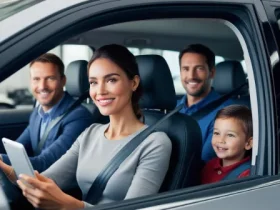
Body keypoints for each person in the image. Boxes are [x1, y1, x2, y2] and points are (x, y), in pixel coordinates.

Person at [16, 44, 172, 209]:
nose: (100, 91)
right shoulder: (90, 133)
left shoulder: (155, 143)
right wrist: (7, 169)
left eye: (111, 80)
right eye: (93, 82)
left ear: (133, 83)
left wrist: (69, 205)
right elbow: (46, 179)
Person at [0, 53, 93, 201]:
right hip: (36, 186)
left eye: (50, 78)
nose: (42, 86)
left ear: (63, 81)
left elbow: (45, 163)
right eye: (36, 79)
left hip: (61, 195)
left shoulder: (79, 118)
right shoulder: (39, 112)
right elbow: (17, 148)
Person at [177, 44, 233, 162]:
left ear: (211, 72)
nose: (191, 76)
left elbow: (201, 163)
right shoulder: (172, 108)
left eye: (199, 68)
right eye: (185, 69)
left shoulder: (227, 113)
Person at [201, 105, 253, 184]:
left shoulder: (247, 174)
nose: (221, 140)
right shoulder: (209, 166)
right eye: (216, 133)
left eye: (230, 135)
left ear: (248, 143)